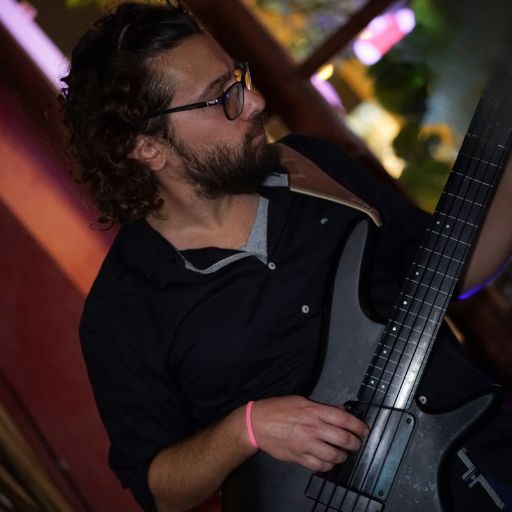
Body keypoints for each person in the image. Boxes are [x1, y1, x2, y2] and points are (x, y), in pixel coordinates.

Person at [59, 2, 512, 512]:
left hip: (491, 451)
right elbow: (159, 488)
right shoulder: (122, 312)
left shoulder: (316, 168)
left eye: (238, 78)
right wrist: (246, 428)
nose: (254, 102)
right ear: (147, 147)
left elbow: (446, 273)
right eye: (221, 97)